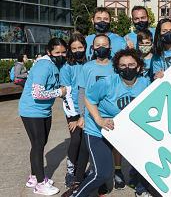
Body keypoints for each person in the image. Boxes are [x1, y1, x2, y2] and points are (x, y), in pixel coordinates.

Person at [70, 49, 150, 197]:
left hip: (118, 133)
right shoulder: (107, 82)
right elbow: (88, 98)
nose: (127, 68)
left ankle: (142, 188)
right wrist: (99, 119)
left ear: (139, 67)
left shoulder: (145, 83)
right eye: (123, 65)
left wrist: (161, 78)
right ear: (117, 67)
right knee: (102, 173)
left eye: (131, 65)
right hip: (97, 131)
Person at [18, 38, 67, 195]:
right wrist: (60, 92)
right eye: (57, 52)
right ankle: (40, 183)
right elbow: (37, 93)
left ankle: (33, 177)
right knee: (38, 144)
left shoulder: (54, 65)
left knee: (40, 143)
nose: (61, 55)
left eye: (63, 52)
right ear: (48, 52)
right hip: (32, 110)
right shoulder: (43, 66)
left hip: (45, 110)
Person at [78, 34, 123, 196]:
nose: (101, 48)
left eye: (104, 45)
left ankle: (104, 183)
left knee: (108, 156)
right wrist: (81, 114)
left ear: (110, 48)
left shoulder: (116, 66)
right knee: (97, 158)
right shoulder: (87, 67)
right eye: (98, 45)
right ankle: (86, 186)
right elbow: (82, 92)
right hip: (93, 121)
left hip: (112, 121)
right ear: (93, 48)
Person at [59, 34, 89, 193]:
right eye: (74, 48)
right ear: (70, 50)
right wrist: (74, 117)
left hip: (88, 110)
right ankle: (70, 172)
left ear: (85, 47)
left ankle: (80, 173)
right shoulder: (66, 67)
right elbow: (66, 94)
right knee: (76, 139)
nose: (78, 51)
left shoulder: (89, 64)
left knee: (85, 142)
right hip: (73, 110)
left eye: (80, 47)